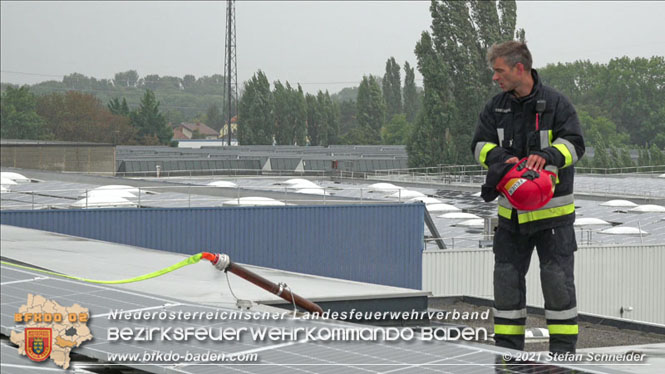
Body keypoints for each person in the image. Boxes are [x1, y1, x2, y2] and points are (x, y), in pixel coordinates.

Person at [471, 41, 585, 353]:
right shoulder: (496, 108)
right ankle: (507, 353)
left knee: (558, 287)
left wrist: (547, 156)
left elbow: (576, 144)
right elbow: (479, 144)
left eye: (499, 71)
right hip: (511, 220)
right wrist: (502, 159)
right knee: (506, 287)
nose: (496, 78)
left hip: (554, 221)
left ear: (519, 68)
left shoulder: (557, 104)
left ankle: (564, 355)